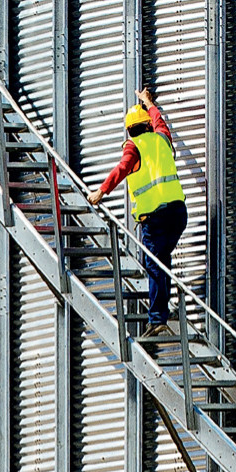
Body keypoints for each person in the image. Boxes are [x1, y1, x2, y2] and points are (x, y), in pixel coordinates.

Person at [86, 88, 188, 339]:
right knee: (162, 261)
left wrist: (101, 191)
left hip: (155, 219)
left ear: (129, 131)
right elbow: (159, 121)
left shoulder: (134, 147)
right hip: (178, 214)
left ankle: (158, 319)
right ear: (148, 126)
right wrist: (149, 103)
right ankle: (161, 312)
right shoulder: (162, 139)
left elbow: (122, 168)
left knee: (154, 264)